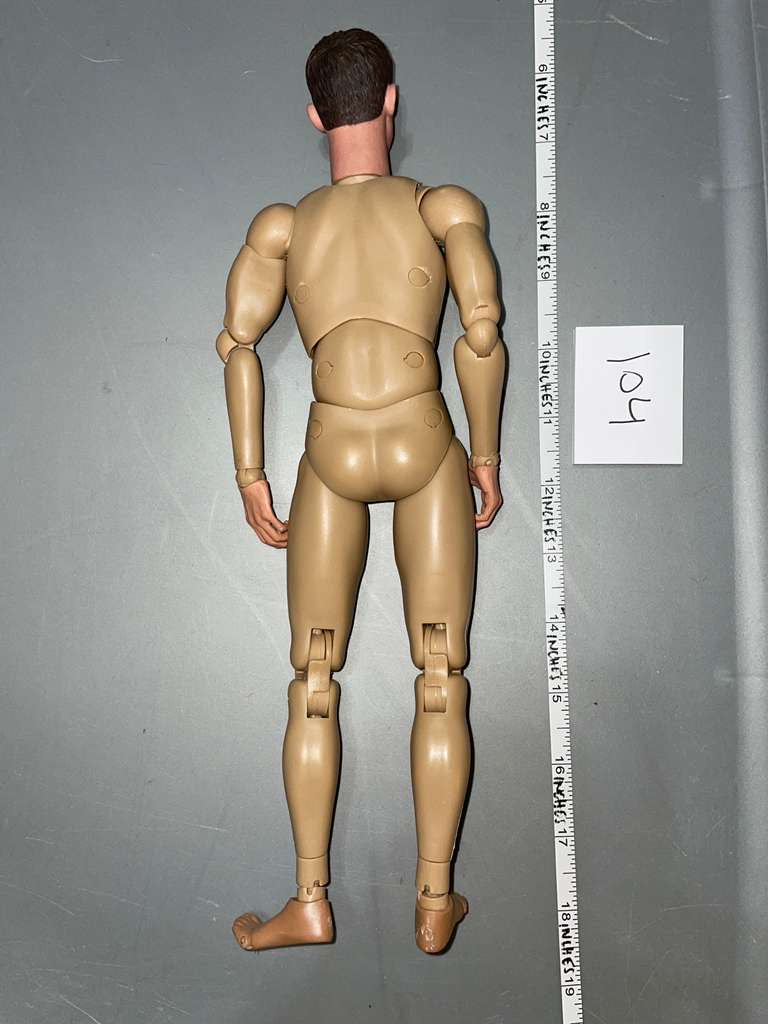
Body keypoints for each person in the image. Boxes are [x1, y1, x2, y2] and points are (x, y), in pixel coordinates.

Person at [216, 27, 505, 954]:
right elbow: (482, 331)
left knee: (312, 679)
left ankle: (310, 899)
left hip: (330, 450)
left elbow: (238, 345)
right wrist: (485, 455)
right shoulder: (442, 206)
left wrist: (251, 473)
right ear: (390, 101)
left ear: (315, 115)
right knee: (441, 677)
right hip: (424, 441)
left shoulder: (283, 227)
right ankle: (433, 899)